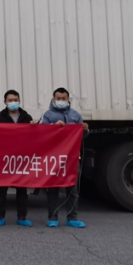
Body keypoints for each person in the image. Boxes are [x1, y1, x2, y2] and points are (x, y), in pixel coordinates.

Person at [41, 87, 89, 228]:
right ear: (53, 99)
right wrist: (53, 127)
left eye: (63, 98)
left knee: (73, 189)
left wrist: (85, 129)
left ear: (68, 99)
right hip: (54, 159)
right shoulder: (48, 115)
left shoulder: (76, 115)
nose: (61, 100)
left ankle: (72, 218)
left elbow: (83, 136)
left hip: (72, 158)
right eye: (58, 98)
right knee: (53, 188)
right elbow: (41, 133)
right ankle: (52, 218)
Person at [0, 89, 34, 227]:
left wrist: (35, 127)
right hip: (4, 159)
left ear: (19, 100)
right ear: (5, 102)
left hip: (21, 158)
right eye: (10, 100)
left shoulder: (26, 118)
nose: (13, 102)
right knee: (1, 190)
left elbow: (34, 136)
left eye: (15, 100)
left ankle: (22, 216)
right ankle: (0, 216)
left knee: (22, 190)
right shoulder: (0, 118)